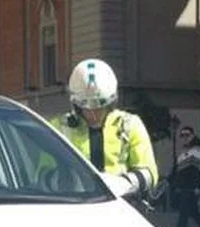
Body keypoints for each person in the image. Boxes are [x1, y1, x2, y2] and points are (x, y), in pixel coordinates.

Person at [48, 58, 158, 195]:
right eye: (86, 108)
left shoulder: (130, 125)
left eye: (100, 107)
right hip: (73, 206)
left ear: (111, 103)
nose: (93, 114)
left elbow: (149, 173)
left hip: (120, 205)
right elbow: (42, 174)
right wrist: (66, 181)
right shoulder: (57, 128)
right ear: (75, 104)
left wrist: (123, 183)